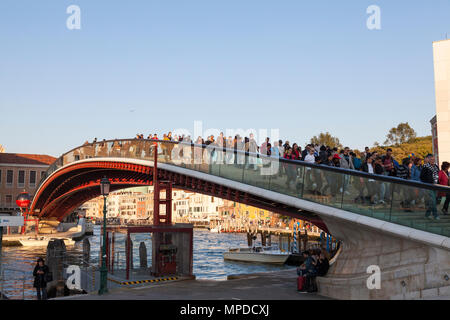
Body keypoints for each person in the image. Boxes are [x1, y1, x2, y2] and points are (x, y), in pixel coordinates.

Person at [420, 154, 440, 220]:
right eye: (431, 159)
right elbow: (422, 177)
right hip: (429, 186)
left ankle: (427, 214)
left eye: (433, 159)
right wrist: (427, 182)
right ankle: (435, 215)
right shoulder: (425, 166)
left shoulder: (436, 166)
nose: (433, 161)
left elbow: (438, 175)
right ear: (428, 159)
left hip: (436, 185)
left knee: (433, 201)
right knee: (433, 201)